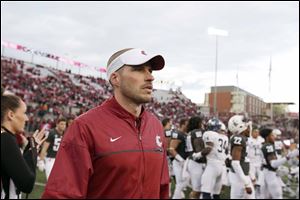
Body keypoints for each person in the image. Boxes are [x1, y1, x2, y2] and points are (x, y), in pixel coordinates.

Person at [42, 48, 169, 198]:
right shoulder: (85, 126)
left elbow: (162, 187)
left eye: (150, 71)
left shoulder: (155, 125)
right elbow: (61, 194)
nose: (150, 77)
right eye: (139, 70)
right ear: (115, 78)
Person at [1, 88, 46, 199]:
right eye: (24, 113)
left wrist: (30, 149)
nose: (26, 118)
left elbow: (15, 168)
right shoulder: (5, 138)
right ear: (11, 114)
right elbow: (26, 184)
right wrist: (33, 151)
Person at [193, 118, 228, 199]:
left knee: (206, 192)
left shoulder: (209, 134)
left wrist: (198, 155)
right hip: (222, 166)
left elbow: (209, 149)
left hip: (212, 165)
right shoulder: (225, 137)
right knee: (216, 194)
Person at [260, 128, 298, 199]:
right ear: (267, 137)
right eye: (272, 135)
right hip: (270, 174)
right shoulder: (268, 146)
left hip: (265, 173)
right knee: (277, 196)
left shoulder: (265, 145)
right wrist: (288, 157)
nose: (274, 137)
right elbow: (273, 164)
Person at [227, 115, 255, 199]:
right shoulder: (238, 138)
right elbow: (235, 163)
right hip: (238, 177)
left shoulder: (242, 138)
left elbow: (244, 159)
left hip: (242, 176)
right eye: (248, 126)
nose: (250, 129)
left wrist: (250, 175)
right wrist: (246, 183)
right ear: (241, 127)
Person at [185, 116, 206, 199]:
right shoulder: (196, 132)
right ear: (198, 123)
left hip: (193, 161)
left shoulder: (191, 133)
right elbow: (198, 148)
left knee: (199, 189)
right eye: (201, 122)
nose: (203, 124)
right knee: (197, 190)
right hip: (197, 162)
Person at [168, 118, 189, 199]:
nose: (188, 126)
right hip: (179, 162)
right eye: (187, 125)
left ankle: (178, 195)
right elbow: (171, 149)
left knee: (184, 182)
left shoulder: (185, 134)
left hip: (185, 161)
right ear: (183, 124)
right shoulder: (178, 133)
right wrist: (181, 160)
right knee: (180, 182)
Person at [247, 127, 264, 198]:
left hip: (259, 161)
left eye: (257, 132)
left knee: (261, 179)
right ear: (252, 132)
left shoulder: (261, 139)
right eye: (255, 132)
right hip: (251, 162)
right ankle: (252, 194)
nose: (256, 133)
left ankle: (259, 194)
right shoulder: (248, 139)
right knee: (252, 179)